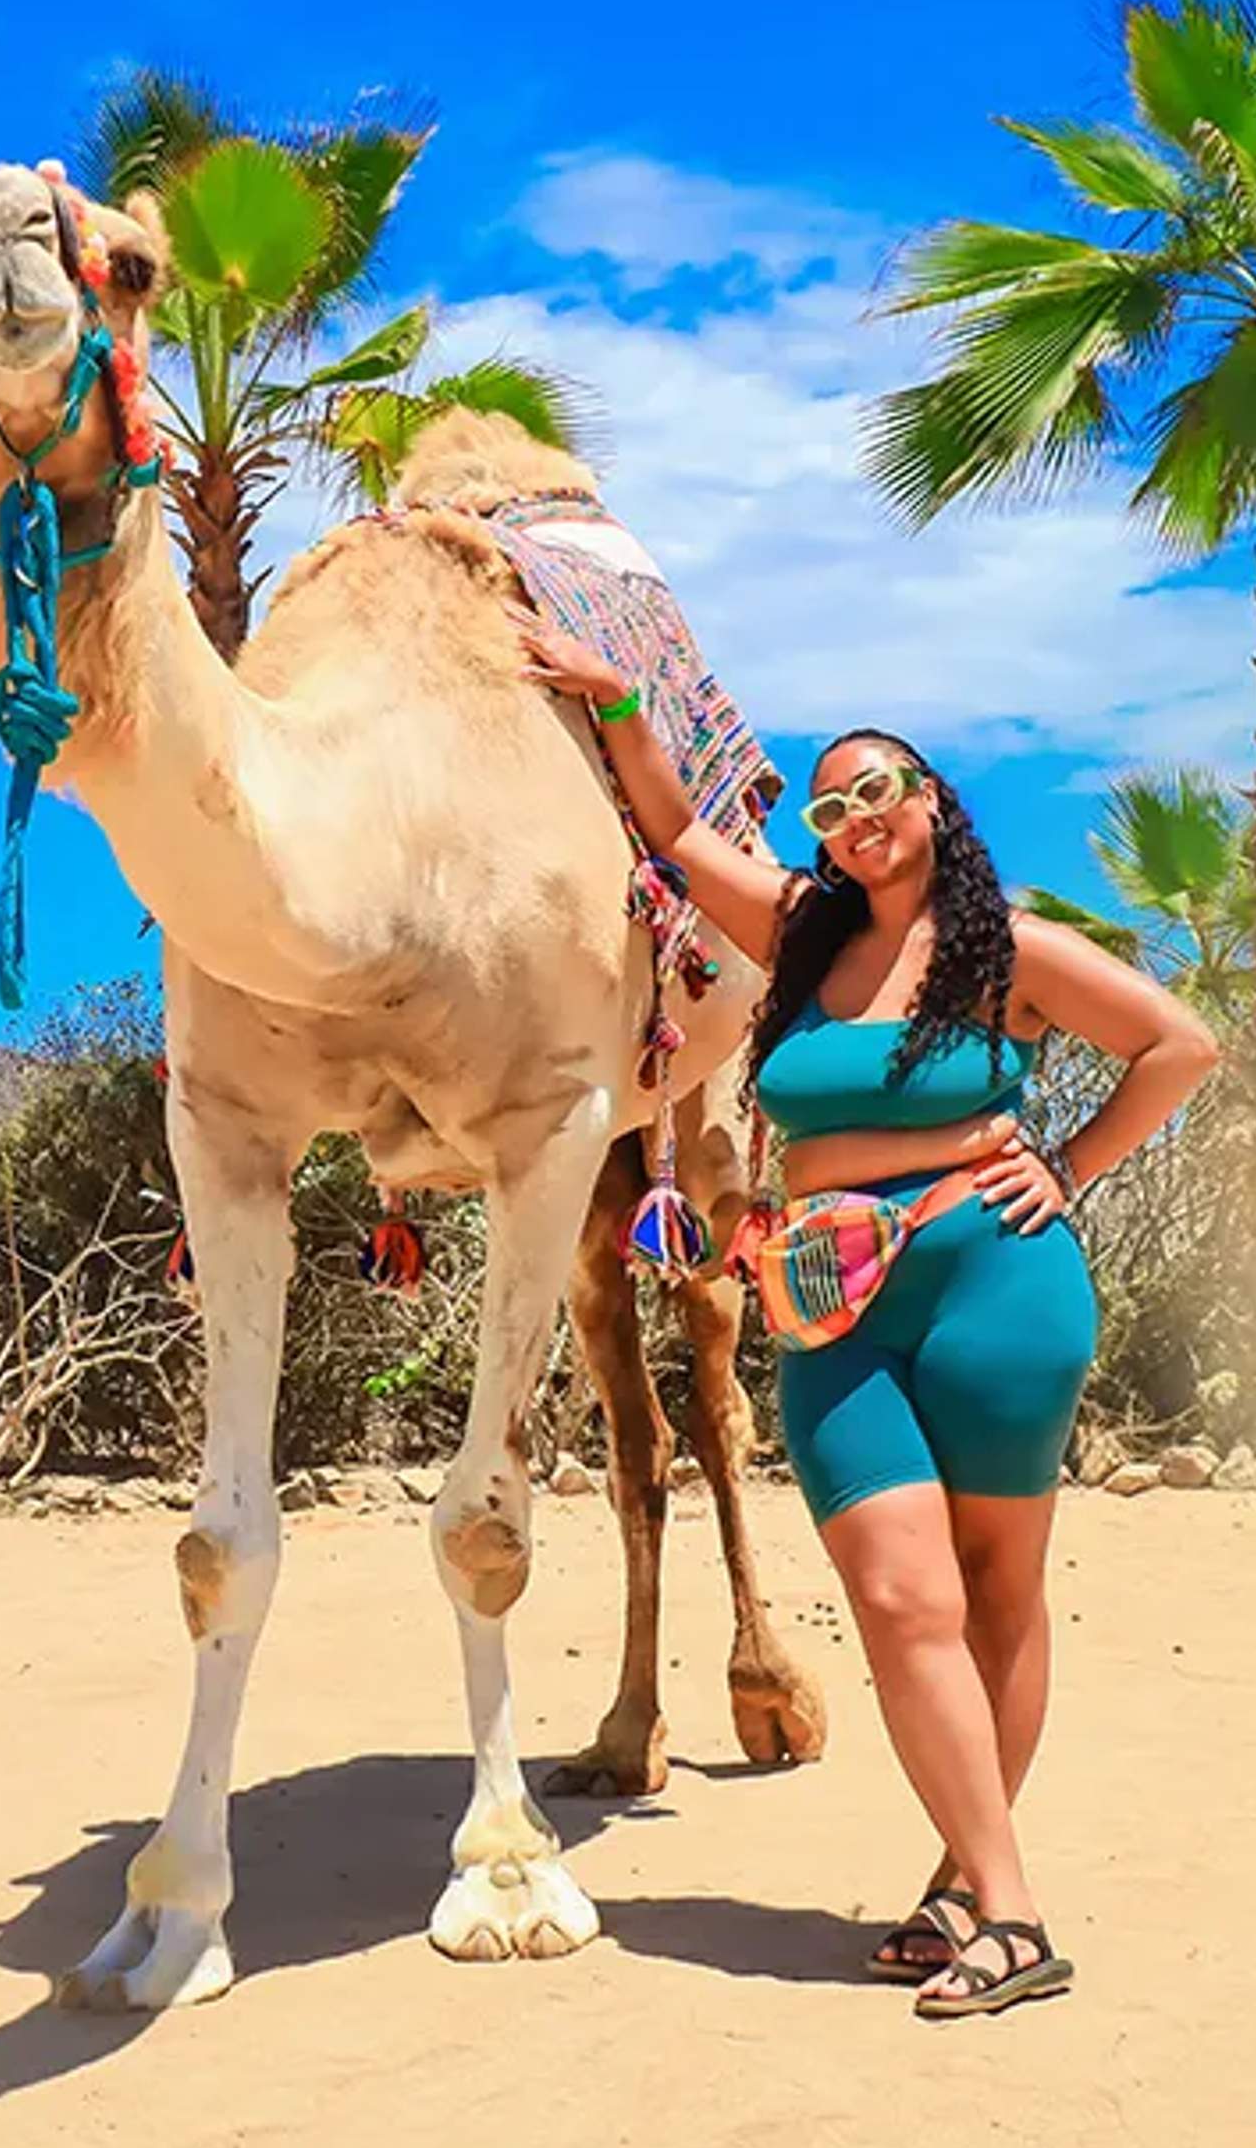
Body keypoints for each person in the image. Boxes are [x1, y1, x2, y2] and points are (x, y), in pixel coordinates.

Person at [520, 619, 1219, 2020]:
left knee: (999, 1596)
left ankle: (977, 1896)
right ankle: (1003, 1902)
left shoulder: (1005, 953)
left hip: (996, 1283)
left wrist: (1070, 1166)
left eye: (877, 792)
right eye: (829, 807)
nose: (852, 820)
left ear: (933, 804)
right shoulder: (801, 935)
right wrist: (619, 704)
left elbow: (1179, 1044)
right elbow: (675, 834)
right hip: (832, 1304)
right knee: (903, 1598)